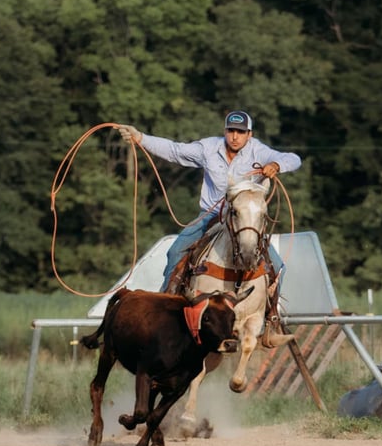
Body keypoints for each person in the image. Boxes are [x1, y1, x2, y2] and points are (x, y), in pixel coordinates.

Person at [117, 110, 302, 314]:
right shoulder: (208, 148)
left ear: (249, 134)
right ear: (225, 131)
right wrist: (140, 138)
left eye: (241, 132)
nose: (235, 136)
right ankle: (166, 305)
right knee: (175, 252)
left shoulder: (259, 151)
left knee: (277, 267)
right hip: (210, 215)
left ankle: (272, 318)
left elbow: (293, 158)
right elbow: (175, 150)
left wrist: (276, 165)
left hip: (244, 220)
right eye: (231, 131)